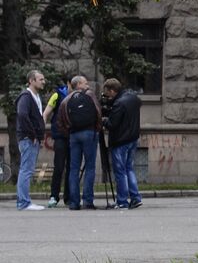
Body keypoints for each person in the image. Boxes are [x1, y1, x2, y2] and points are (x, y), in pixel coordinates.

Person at [58, 75, 101, 210]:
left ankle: (73, 202)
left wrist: (69, 133)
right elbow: (98, 112)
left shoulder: (66, 100)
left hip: (73, 135)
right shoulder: (90, 95)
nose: (87, 85)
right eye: (85, 83)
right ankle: (88, 201)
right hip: (89, 133)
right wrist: (97, 129)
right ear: (78, 85)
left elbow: (60, 122)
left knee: (73, 169)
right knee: (90, 167)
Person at [102, 78, 143, 210]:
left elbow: (112, 124)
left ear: (113, 91)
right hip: (133, 138)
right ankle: (135, 198)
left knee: (120, 172)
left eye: (108, 94)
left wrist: (104, 120)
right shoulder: (133, 98)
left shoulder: (119, 103)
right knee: (129, 169)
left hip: (120, 141)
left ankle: (122, 201)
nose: (107, 97)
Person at [14, 70, 47, 211]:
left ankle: (24, 201)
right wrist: (33, 134)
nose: (43, 81)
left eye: (43, 79)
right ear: (31, 81)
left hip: (32, 138)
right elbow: (22, 115)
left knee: (27, 169)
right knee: (26, 170)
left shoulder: (35, 96)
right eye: (40, 79)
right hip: (28, 139)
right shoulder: (26, 96)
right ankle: (23, 202)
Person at [43, 80, 70, 208]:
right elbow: (46, 113)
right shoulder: (57, 95)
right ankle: (54, 196)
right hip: (60, 136)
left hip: (73, 136)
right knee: (59, 167)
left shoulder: (78, 95)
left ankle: (69, 197)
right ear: (69, 83)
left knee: (72, 168)